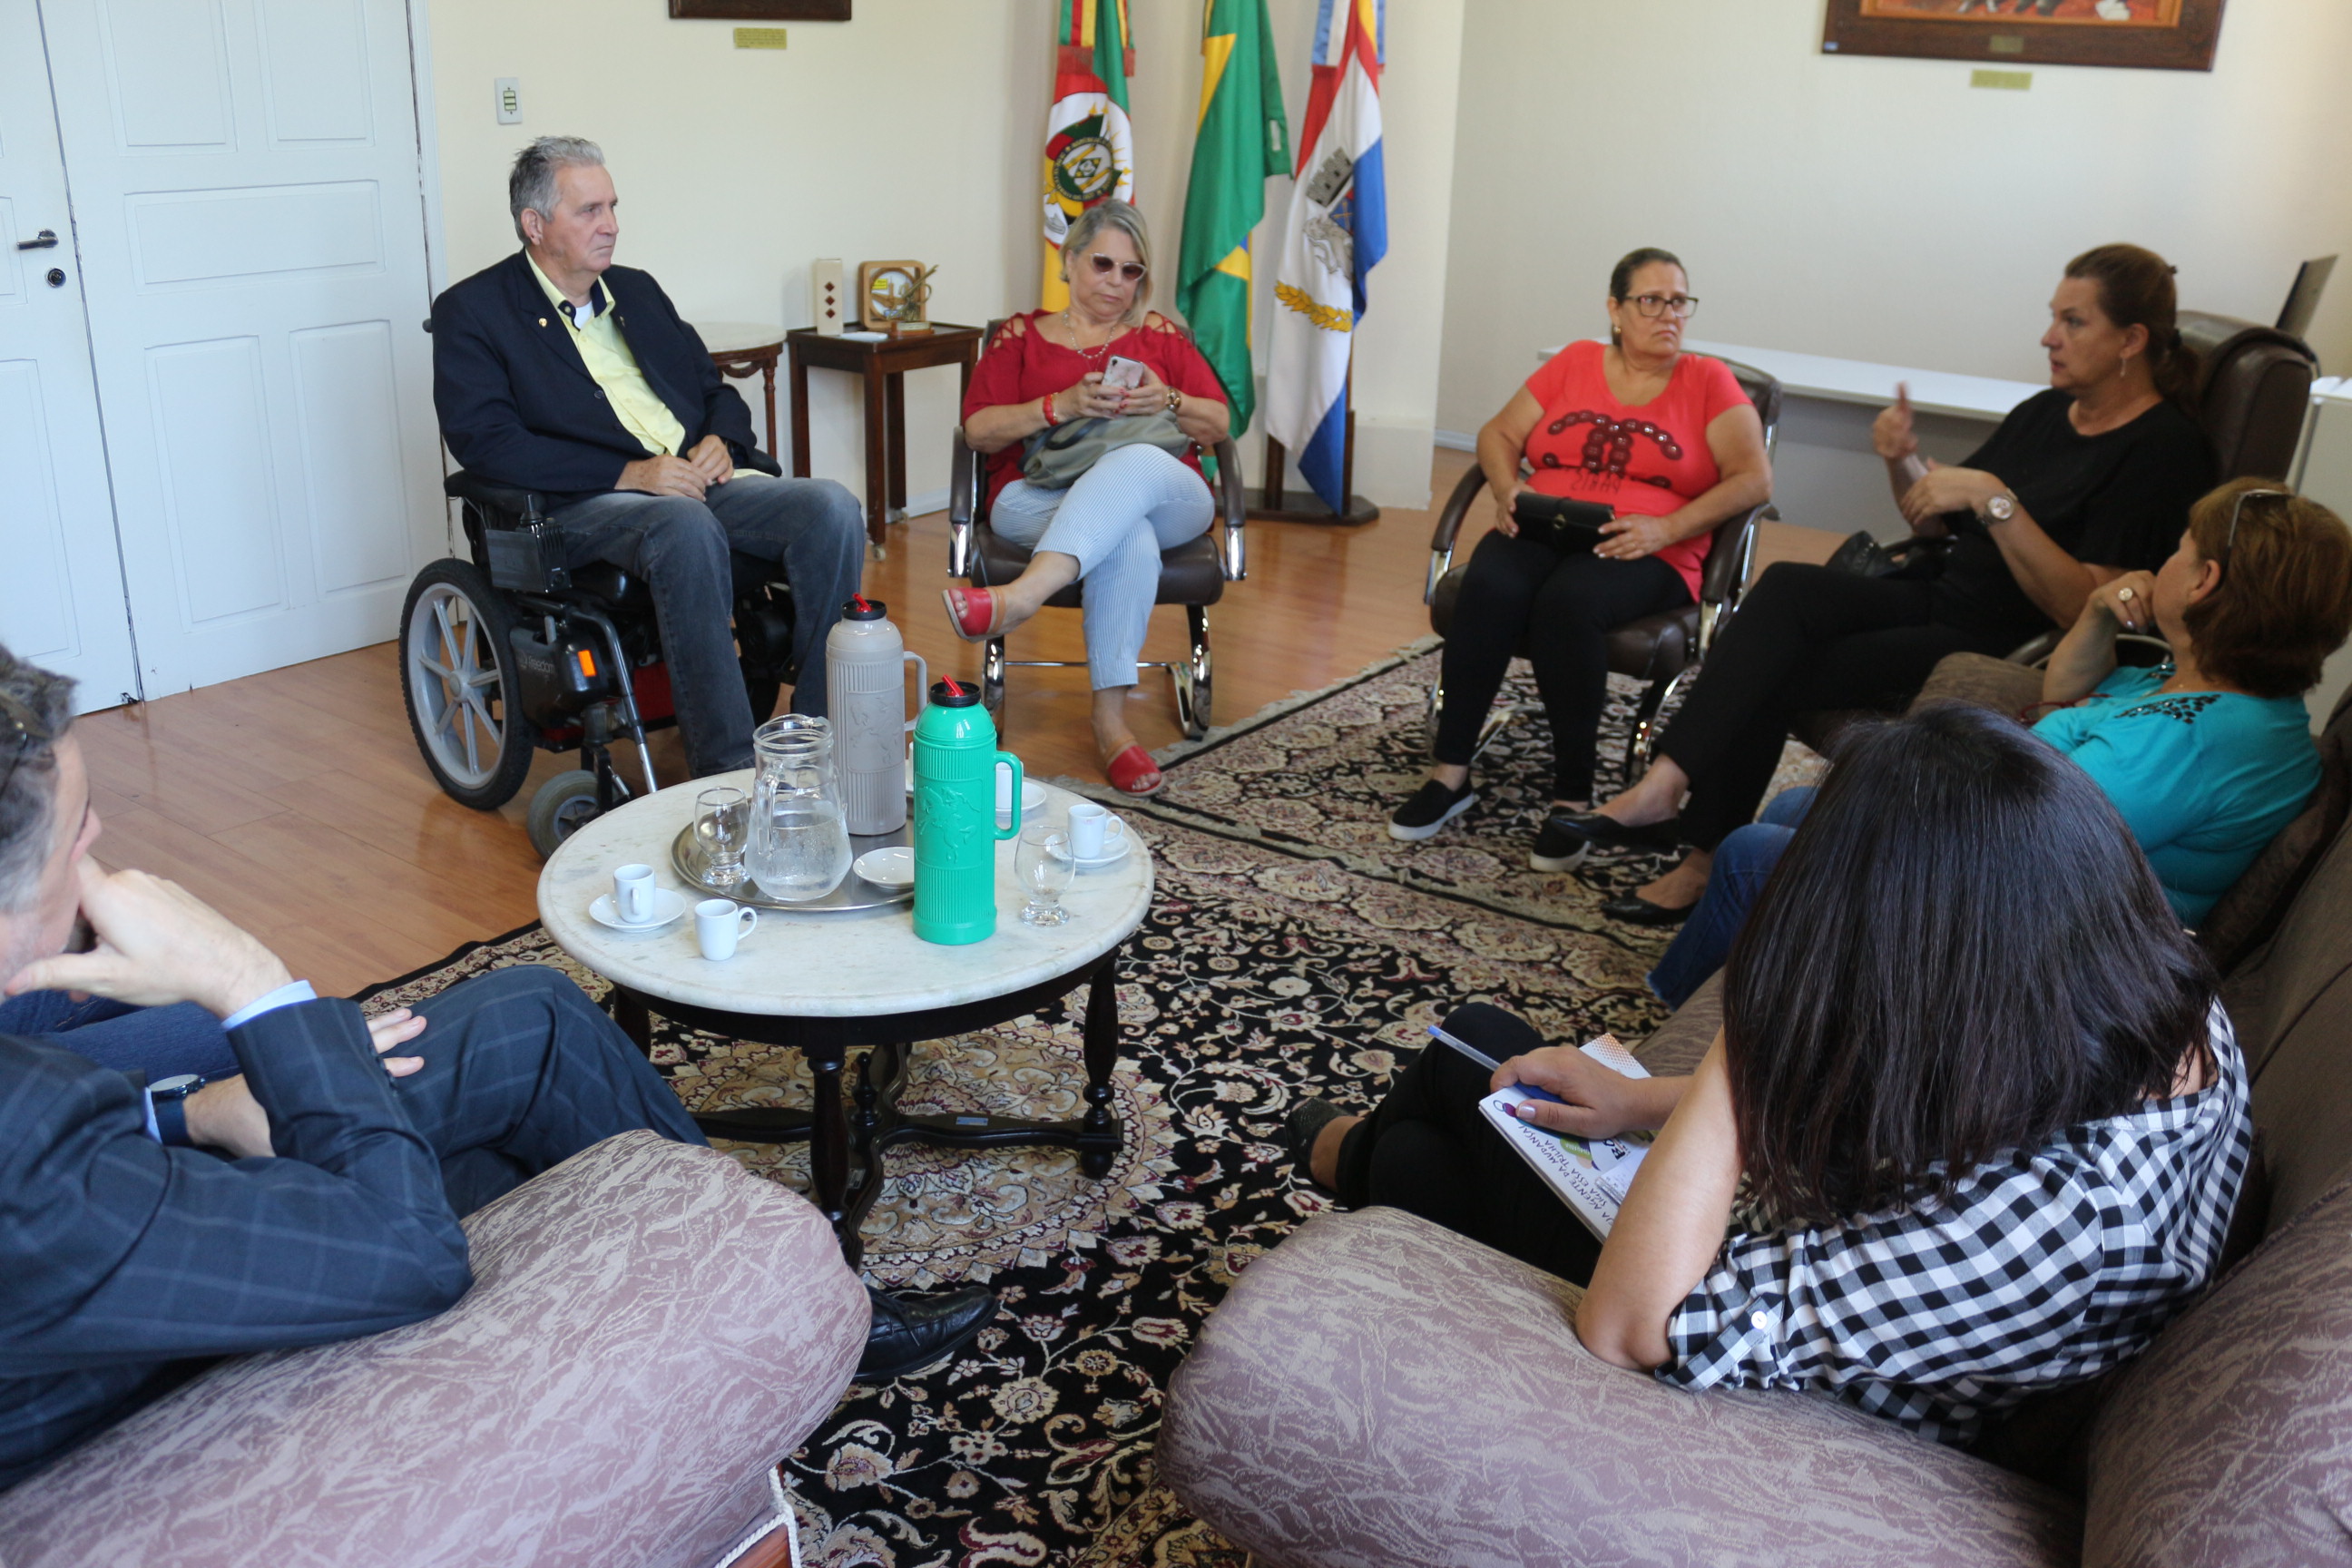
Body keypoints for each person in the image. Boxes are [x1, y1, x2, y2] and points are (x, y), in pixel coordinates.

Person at [0, 648, 994, 1486]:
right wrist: (247, 985)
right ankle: (789, 1317)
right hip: (127, 1328)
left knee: (531, 1020)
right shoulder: (31, 1167)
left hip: (139, 1183)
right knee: (509, 1126)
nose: (100, 847)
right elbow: (407, 1255)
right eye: (80, 826)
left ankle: (769, 1297)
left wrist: (184, 1113)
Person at [1289, 702, 2249, 1444]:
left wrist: (1760, 1012)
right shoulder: (2153, 994)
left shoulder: (2051, 1227)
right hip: (1843, 1236)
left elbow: (1629, 1329)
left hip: (1779, 1351)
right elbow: (1945, 1099)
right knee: (1491, 1087)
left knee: (1460, 1077)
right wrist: (1636, 1101)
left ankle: (1351, 1161)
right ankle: (1362, 1163)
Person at [1555, 244, 2217, 921]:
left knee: (1779, 664)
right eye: (2054, 317)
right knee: (1784, 588)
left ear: (2131, 339)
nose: (2049, 337)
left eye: (2073, 322)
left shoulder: (2162, 450)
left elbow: (2086, 607)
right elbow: (1936, 523)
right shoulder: (2048, 413)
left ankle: (1699, 859)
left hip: (1994, 638)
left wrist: (1996, 499)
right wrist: (1903, 463)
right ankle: (1666, 786)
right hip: (1935, 586)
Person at [1647, 479, 2352, 1004]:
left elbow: (2023, 832)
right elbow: (2057, 702)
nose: (2162, 562)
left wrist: (1925, 785)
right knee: (1798, 806)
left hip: (2038, 942)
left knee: (1750, 858)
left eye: (2179, 550)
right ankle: (1768, 1005)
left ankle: (1661, 1061)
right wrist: (2102, 613)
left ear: (2204, 582)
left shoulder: (2199, 740)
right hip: (2026, 876)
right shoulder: (2215, 687)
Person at [431, 135, 864, 779]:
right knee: (681, 525)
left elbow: (714, 389)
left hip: (693, 482)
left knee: (830, 506)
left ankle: (815, 735)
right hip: (580, 507)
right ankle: (728, 769)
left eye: (612, 206)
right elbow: (486, 441)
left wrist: (723, 441)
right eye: (589, 211)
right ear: (535, 224)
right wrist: (630, 474)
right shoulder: (475, 312)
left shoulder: (635, 291)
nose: (610, 225)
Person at [1387, 249, 1771, 866]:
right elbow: (1498, 434)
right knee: (1489, 585)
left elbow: (1754, 481)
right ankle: (1450, 775)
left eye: (1679, 301)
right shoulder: (1574, 362)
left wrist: (1665, 526)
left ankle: (1572, 799)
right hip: (1550, 524)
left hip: (1647, 545)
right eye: (1651, 300)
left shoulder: (1707, 381)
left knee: (1571, 604)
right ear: (1615, 310)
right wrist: (1508, 487)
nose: (1668, 314)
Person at [946, 201, 1232, 796]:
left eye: (1132, 271)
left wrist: (1168, 401)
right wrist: (1060, 406)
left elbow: (1220, 424)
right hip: (1036, 496)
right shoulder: (1021, 338)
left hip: (1170, 494)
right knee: (1126, 532)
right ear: (1069, 259)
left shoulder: (1160, 337)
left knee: (1131, 467)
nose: (1118, 283)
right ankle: (1111, 725)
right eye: (1104, 264)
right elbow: (977, 431)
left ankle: (1021, 596)